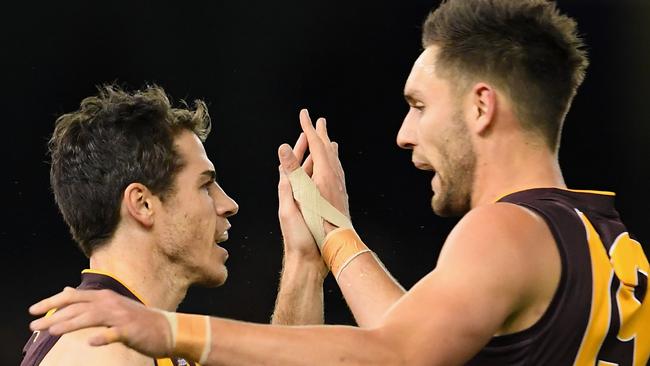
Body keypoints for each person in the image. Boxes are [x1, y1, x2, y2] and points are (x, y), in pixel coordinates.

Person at [28, 0, 650, 365]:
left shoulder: (505, 231)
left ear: (481, 107)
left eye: (418, 106)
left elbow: (396, 354)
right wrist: (328, 234)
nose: (404, 135)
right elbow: (408, 335)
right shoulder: (599, 234)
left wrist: (171, 331)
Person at [20, 85, 243, 366]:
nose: (228, 204)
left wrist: (302, 265)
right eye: (205, 185)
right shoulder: (98, 347)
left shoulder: (144, 341)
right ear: (143, 204)